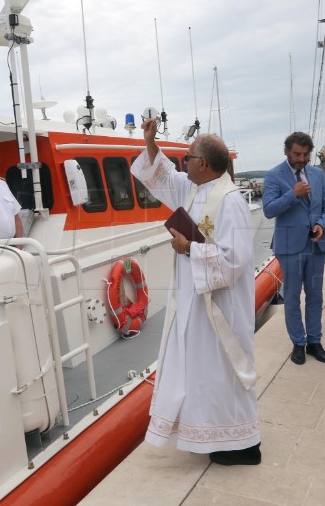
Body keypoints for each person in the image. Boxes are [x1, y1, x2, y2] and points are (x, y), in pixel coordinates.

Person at [131, 118, 260, 465]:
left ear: (203, 163)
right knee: (204, 376)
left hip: (221, 307)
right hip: (194, 302)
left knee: (223, 372)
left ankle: (242, 444)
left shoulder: (230, 200)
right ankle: (213, 438)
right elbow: (159, 176)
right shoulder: (193, 189)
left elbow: (235, 259)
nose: (181, 163)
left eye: (186, 158)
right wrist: (151, 143)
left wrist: (190, 249)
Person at [263, 132, 325, 365]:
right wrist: (292, 194)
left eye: (305, 154)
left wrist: (322, 224)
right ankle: (298, 343)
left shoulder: (317, 174)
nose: (302, 159)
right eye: (297, 154)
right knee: (292, 298)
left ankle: (315, 341)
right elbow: (269, 209)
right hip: (289, 247)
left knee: (315, 296)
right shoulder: (274, 175)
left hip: (315, 245)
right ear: (286, 152)